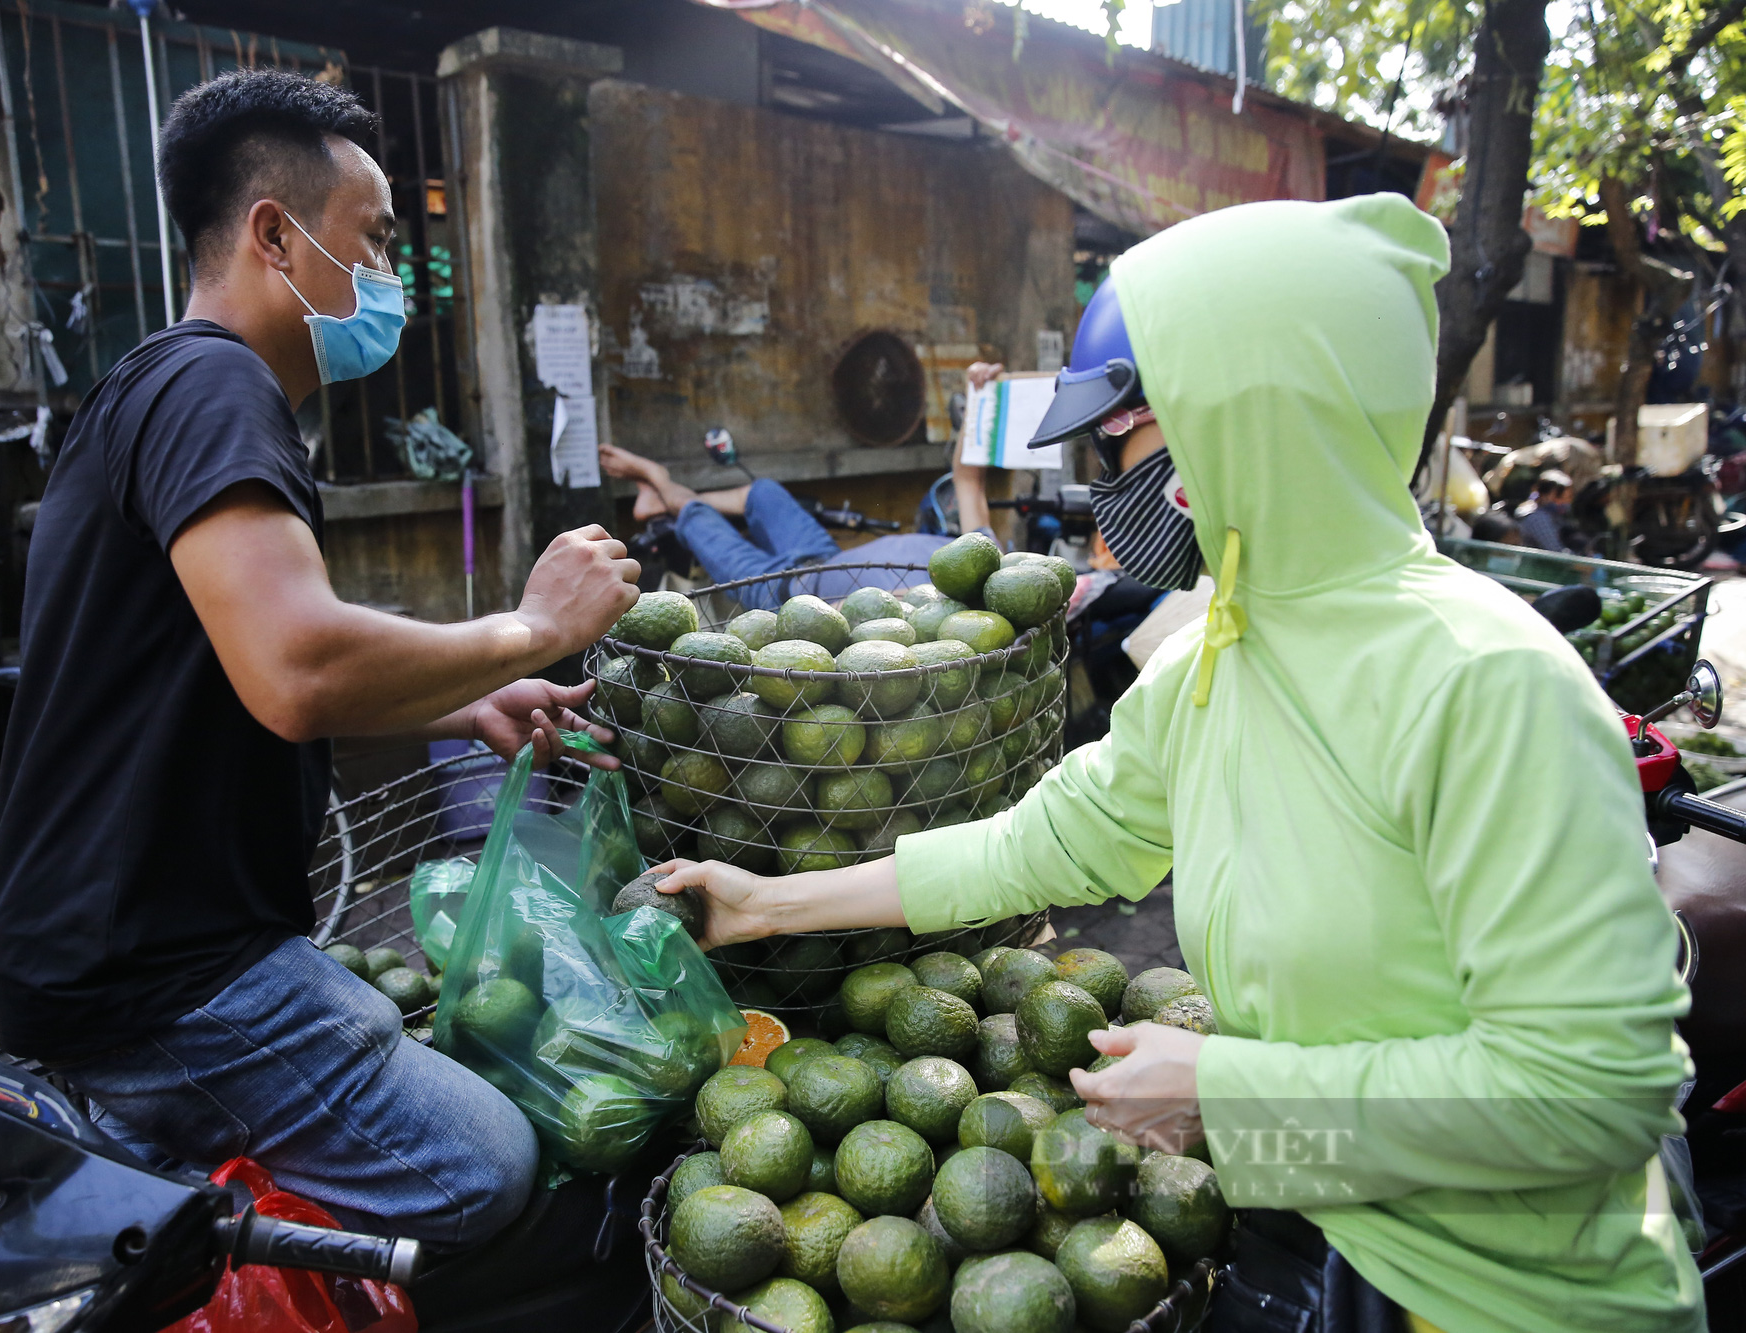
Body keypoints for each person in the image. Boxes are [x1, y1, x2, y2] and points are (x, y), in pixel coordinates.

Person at [659, 195, 1698, 1331]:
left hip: (1499, 1294)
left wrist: (1222, 1094)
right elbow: (1039, 842)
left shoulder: (1487, 685)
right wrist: (765, 904)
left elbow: (1587, 1098)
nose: (1099, 472)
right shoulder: (1219, 654)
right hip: (1301, 1224)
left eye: (1122, 434)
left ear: (1250, 418)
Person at [0, 70, 640, 1248]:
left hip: (103, 951)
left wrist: (464, 700)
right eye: (374, 241)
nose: (392, 276)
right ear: (274, 235)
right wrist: (535, 629)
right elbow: (295, 668)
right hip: (162, 983)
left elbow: (229, 681)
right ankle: (156, 1202)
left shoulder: (157, 388)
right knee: (489, 1164)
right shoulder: (213, 383)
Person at [595, 364, 1014, 607]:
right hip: (821, 555)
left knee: (696, 516)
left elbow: (855, 618)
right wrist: (982, 397)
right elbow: (968, 476)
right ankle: (673, 502)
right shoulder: (985, 551)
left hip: (781, 591)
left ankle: (660, 483)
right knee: (764, 492)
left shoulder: (956, 603)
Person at [1518, 469, 1573, 553]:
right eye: (1559, 497)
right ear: (1543, 495)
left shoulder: (1559, 515)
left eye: (1567, 498)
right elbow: (1556, 551)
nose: (1563, 502)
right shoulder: (1537, 517)